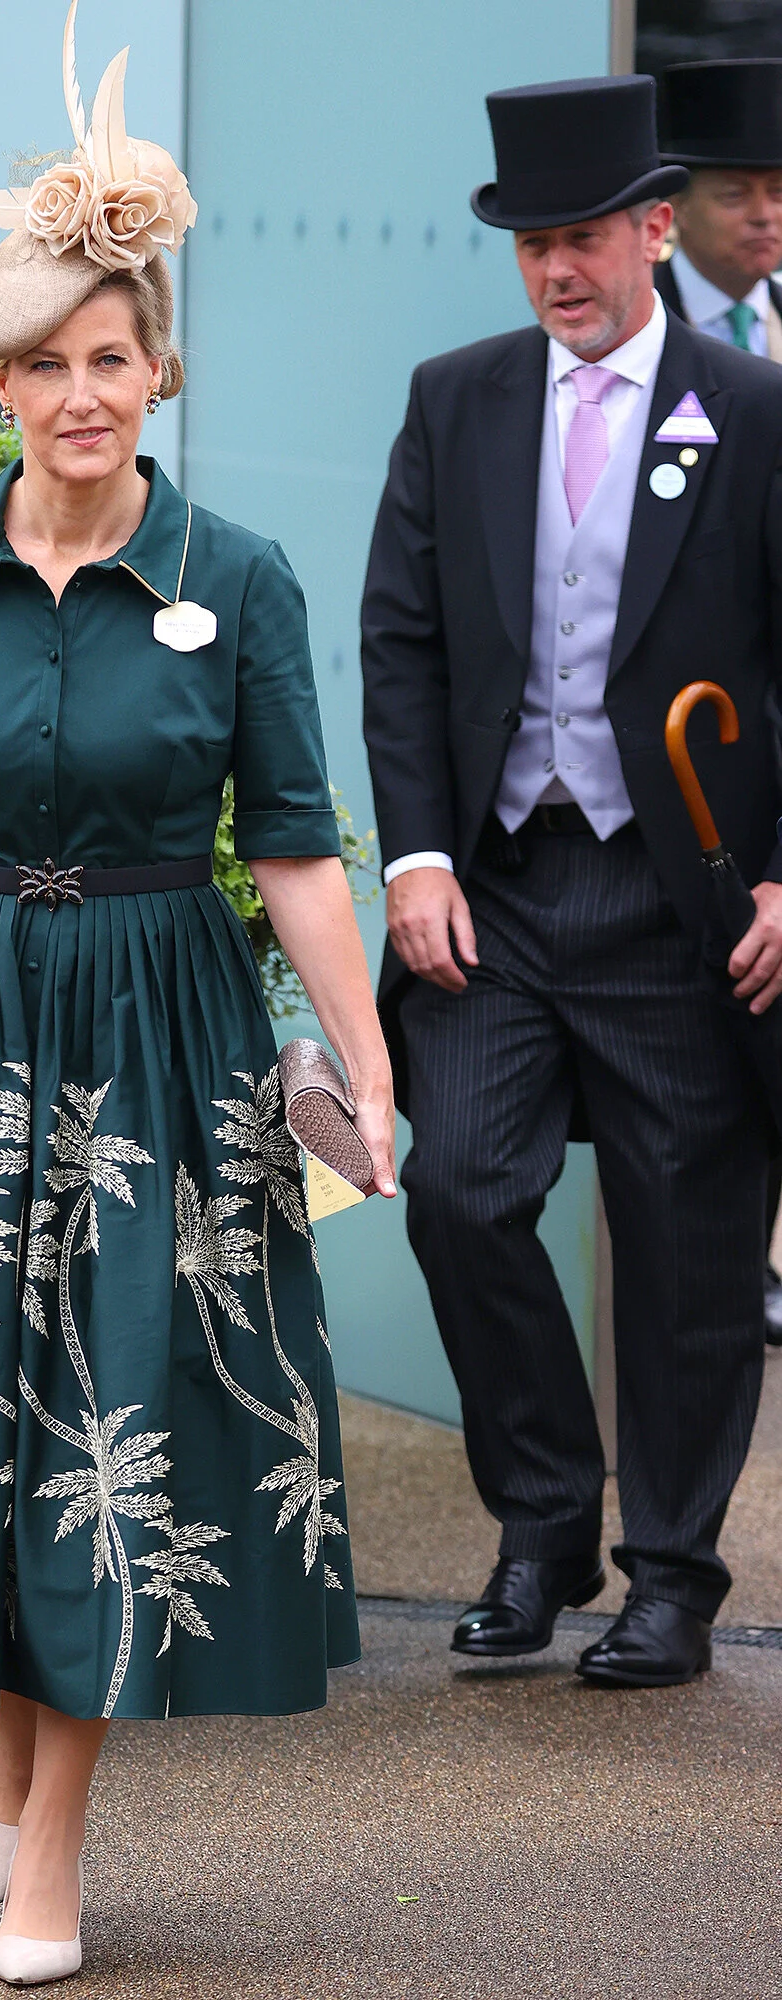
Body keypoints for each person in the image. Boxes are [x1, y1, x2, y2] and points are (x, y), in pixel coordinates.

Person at [0, 6, 393, 1985]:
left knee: (122, 1425)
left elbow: (293, 845)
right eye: (40, 365)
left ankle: (51, 1842)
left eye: (105, 359)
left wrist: (364, 1057)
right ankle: (4, 1739)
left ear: (158, 365)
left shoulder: (241, 576)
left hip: (163, 1030)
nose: (76, 395)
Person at [361, 74, 782, 1690]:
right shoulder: (452, 399)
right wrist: (409, 853)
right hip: (498, 889)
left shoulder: (746, 418)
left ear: (651, 233)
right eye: (531, 241)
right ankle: (539, 1523)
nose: (555, 269)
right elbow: (399, 639)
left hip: (681, 898)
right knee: (456, 1188)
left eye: (583, 236)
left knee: (683, 1240)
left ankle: (666, 1577)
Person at [655, 57, 782, 1346]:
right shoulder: (642, 338)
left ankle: (753, 1252)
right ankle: (725, 1268)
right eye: (741, 191)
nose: (768, 214)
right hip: (682, 747)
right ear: (676, 206)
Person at [655, 59, 782, 361]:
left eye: (778, 192)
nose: (762, 215)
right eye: (734, 195)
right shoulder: (634, 327)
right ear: (677, 206)